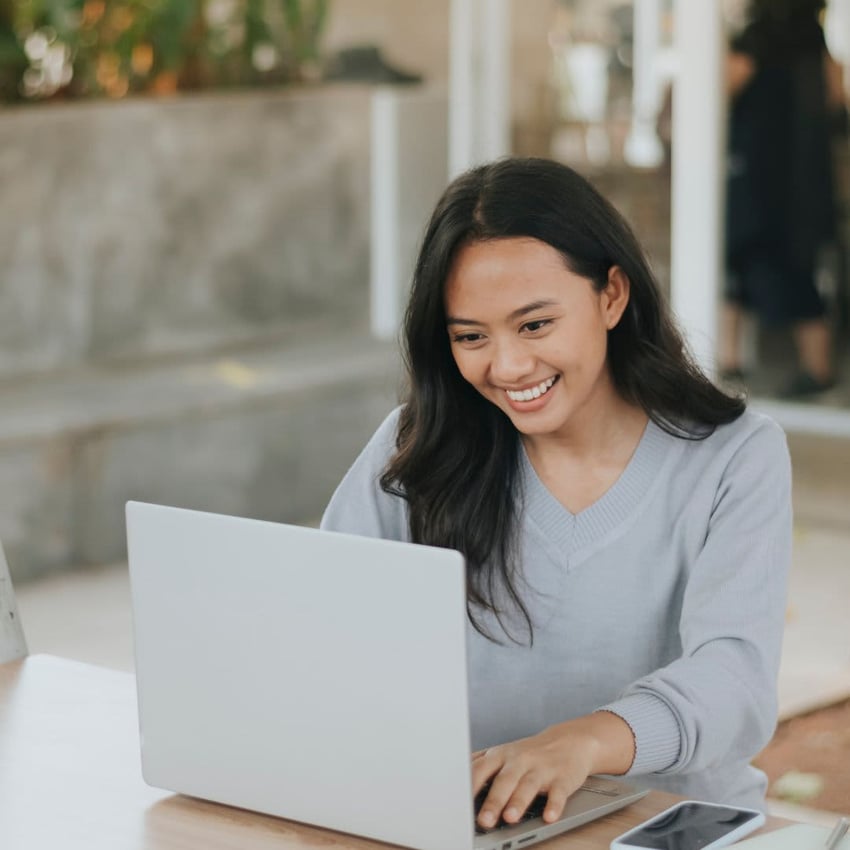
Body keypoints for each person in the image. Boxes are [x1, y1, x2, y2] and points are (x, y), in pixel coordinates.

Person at [321, 157, 792, 829]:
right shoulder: (416, 445)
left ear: (611, 296)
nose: (508, 366)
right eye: (471, 337)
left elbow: (735, 684)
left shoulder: (735, 457)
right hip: (478, 824)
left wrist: (582, 743)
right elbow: (323, 630)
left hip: (670, 828)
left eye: (535, 325)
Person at [722, 0, 847, 397]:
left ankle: (810, 368)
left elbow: (719, 92)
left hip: (759, 176)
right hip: (803, 177)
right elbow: (834, 97)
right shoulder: (811, 36)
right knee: (779, 264)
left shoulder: (757, 35)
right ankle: (733, 362)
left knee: (747, 260)